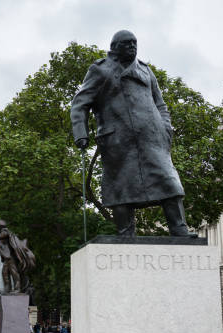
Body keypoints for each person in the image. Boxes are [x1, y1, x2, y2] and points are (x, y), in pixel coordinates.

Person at [70, 30, 190, 237]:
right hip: (118, 141)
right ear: (115, 47)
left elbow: (160, 103)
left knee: (169, 181)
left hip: (152, 138)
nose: (132, 47)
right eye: (127, 44)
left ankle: (179, 229)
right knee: (121, 188)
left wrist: (166, 128)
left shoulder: (145, 70)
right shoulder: (100, 70)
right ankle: (125, 233)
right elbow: (79, 104)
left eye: (134, 43)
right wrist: (80, 132)